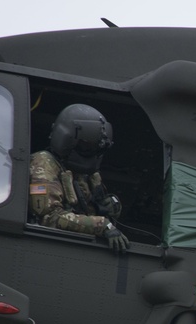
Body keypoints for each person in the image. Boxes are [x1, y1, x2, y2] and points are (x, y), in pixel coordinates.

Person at [28, 104, 129, 252]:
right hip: (52, 247)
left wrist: (109, 206)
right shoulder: (43, 164)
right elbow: (49, 218)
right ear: (67, 139)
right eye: (85, 145)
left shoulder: (84, 172)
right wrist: (102, 225)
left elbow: (92, 207)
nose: (90, 152)